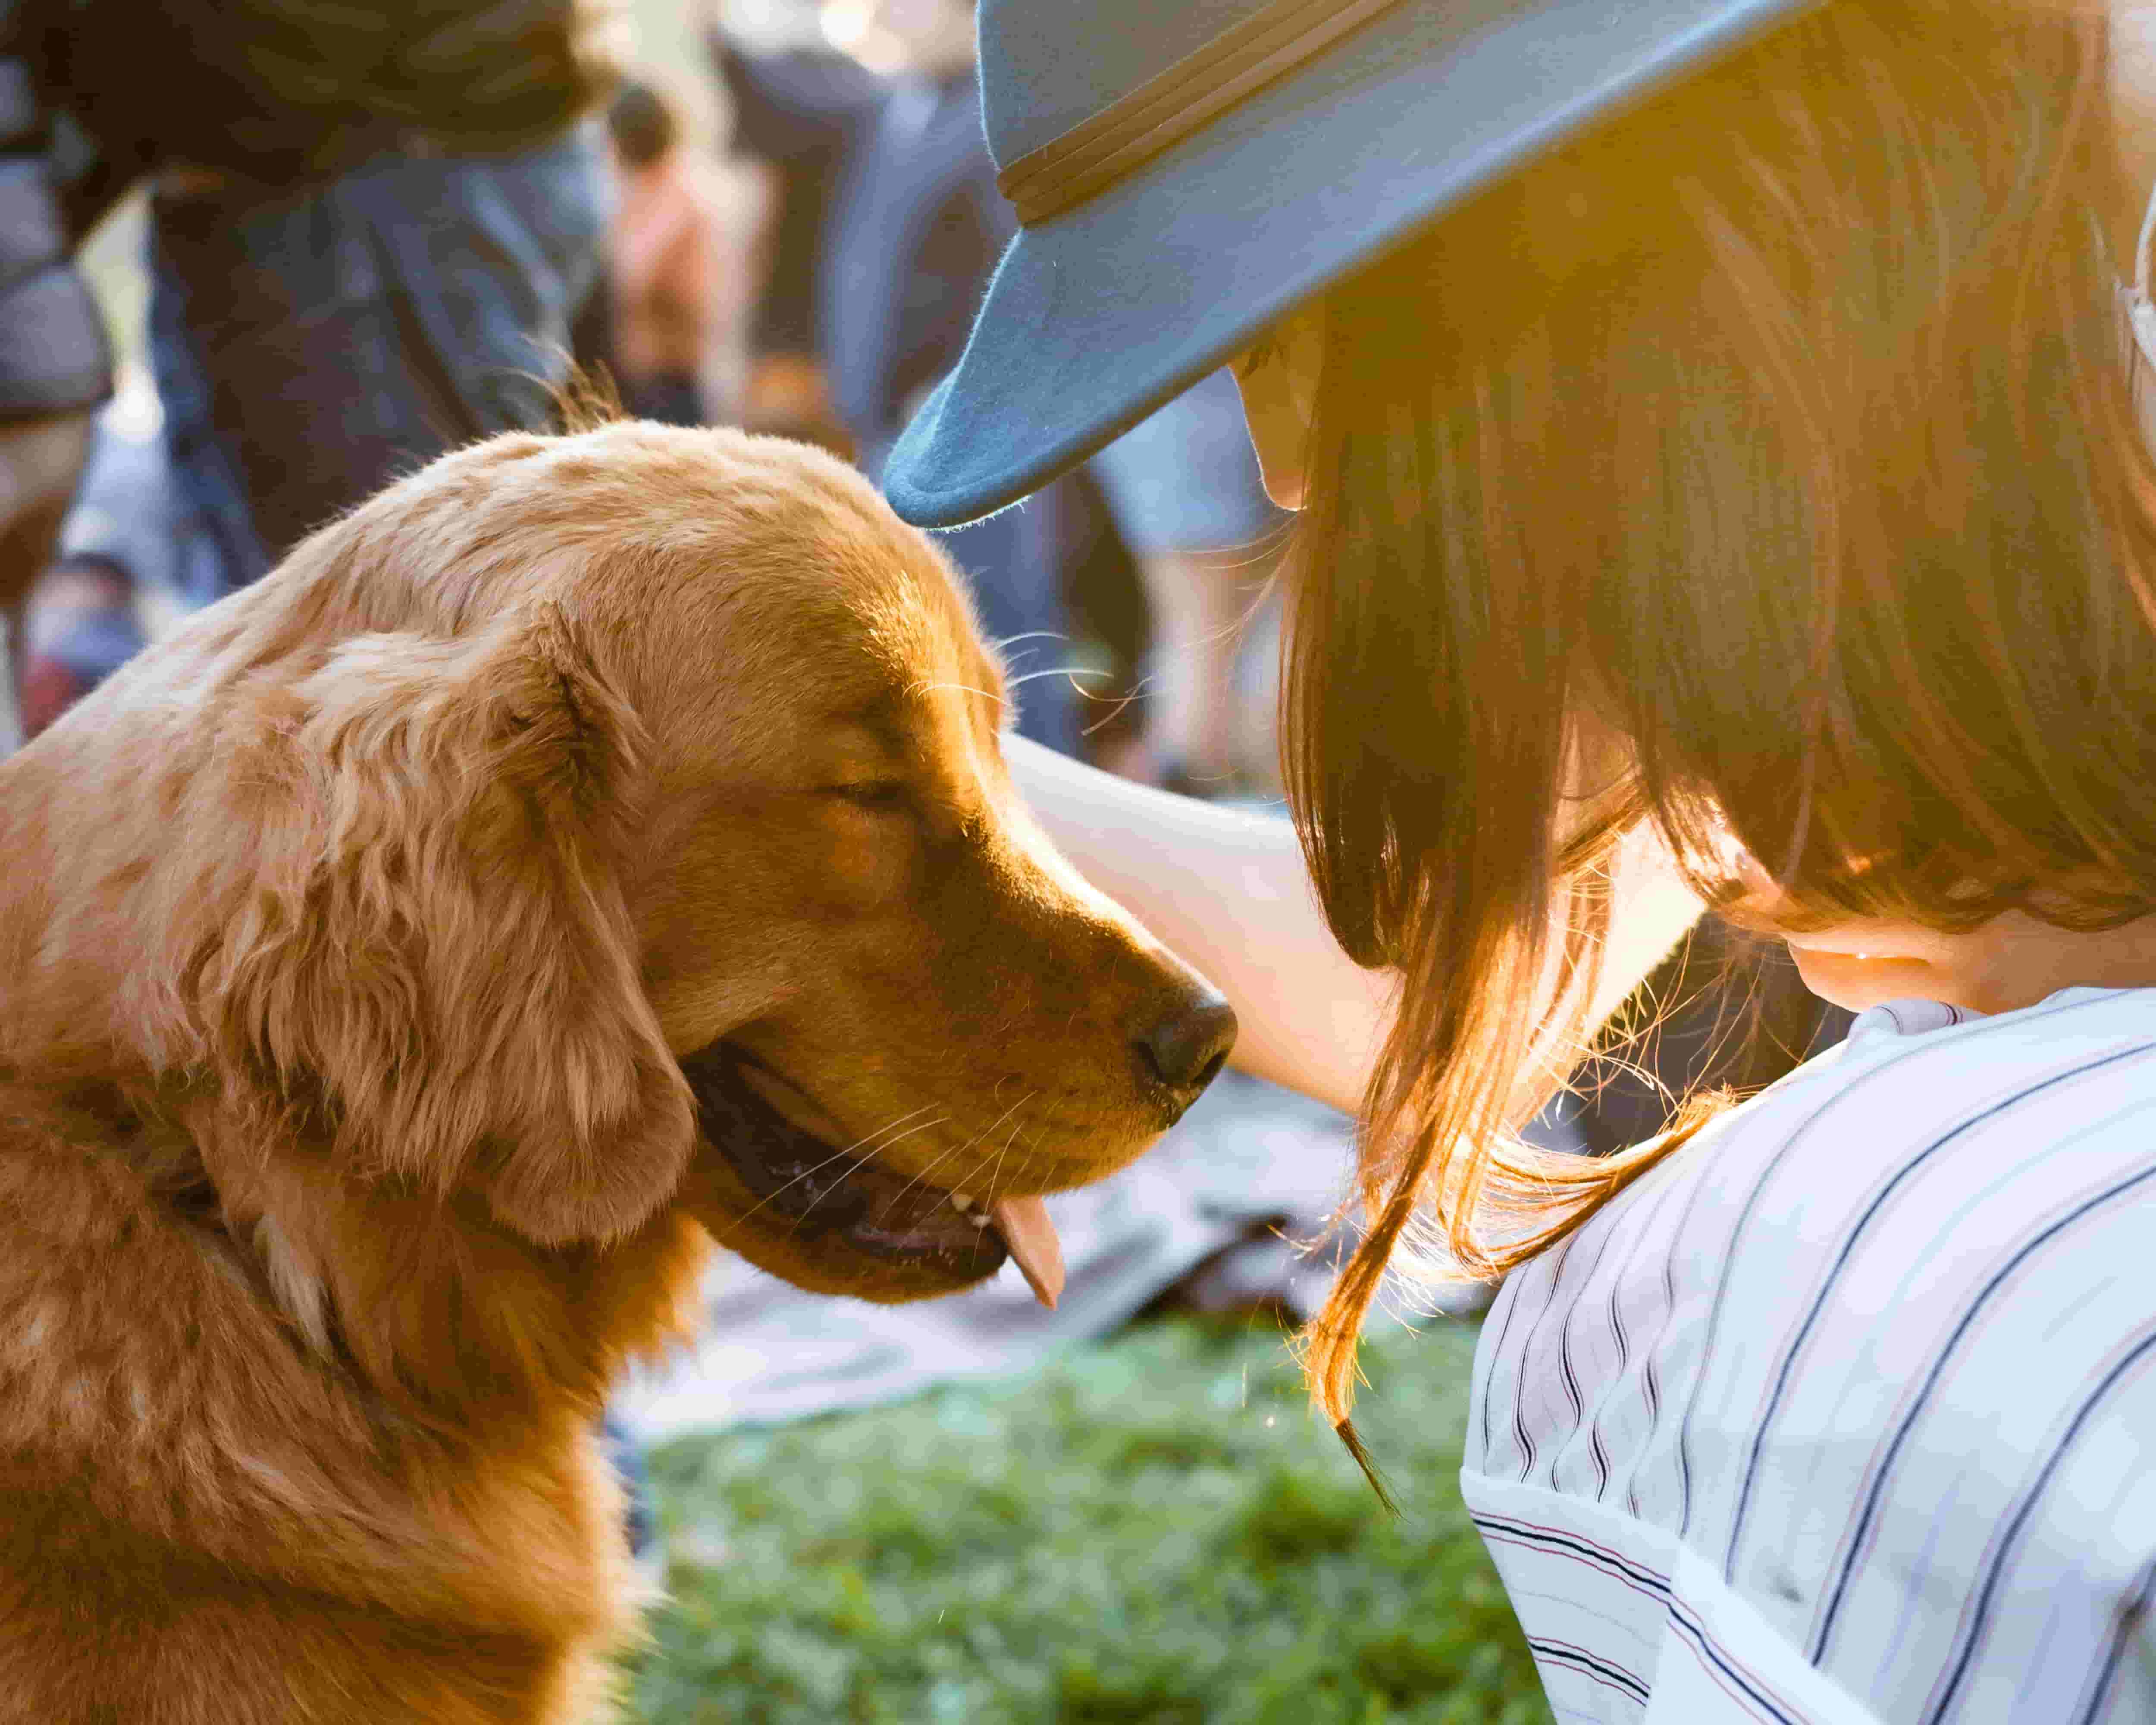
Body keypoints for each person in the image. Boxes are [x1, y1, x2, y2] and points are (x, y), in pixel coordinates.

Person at [882, 0, 2156, 1716]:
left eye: (1281, 325)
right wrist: (885, 780)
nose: (1279, 464)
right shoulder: (1834, 532)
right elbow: (1439, 977)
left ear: (1567, 240)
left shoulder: (1875, 1275)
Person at [600, 80, 746, 427]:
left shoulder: (681, 200)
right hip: (635, 383)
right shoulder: (631, 192)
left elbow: (637, 278)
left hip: (670, 387)